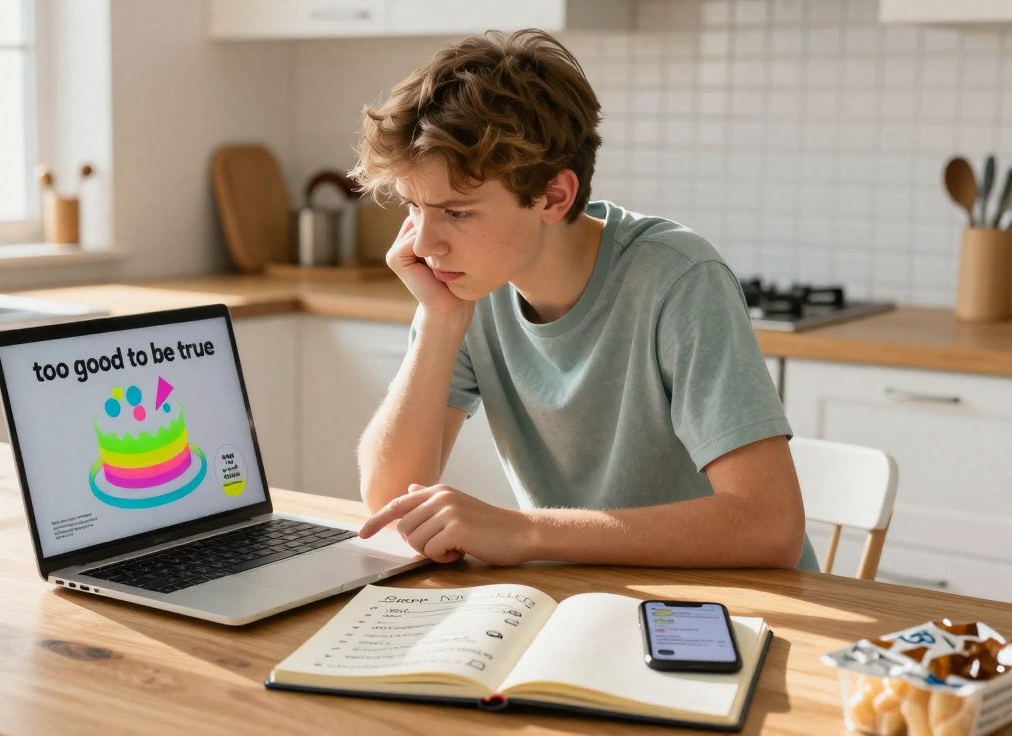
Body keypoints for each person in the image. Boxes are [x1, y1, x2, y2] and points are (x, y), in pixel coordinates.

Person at [350, 29, 817, 571]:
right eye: (413, 207)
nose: (424, 245)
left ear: (552, 195)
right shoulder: (465, 282)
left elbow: (769, 527)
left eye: (457, 212)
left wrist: (526, 530)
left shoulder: (678, 279)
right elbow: (386, 501)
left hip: (731, 607)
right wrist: (439, 319)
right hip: (583, 595)